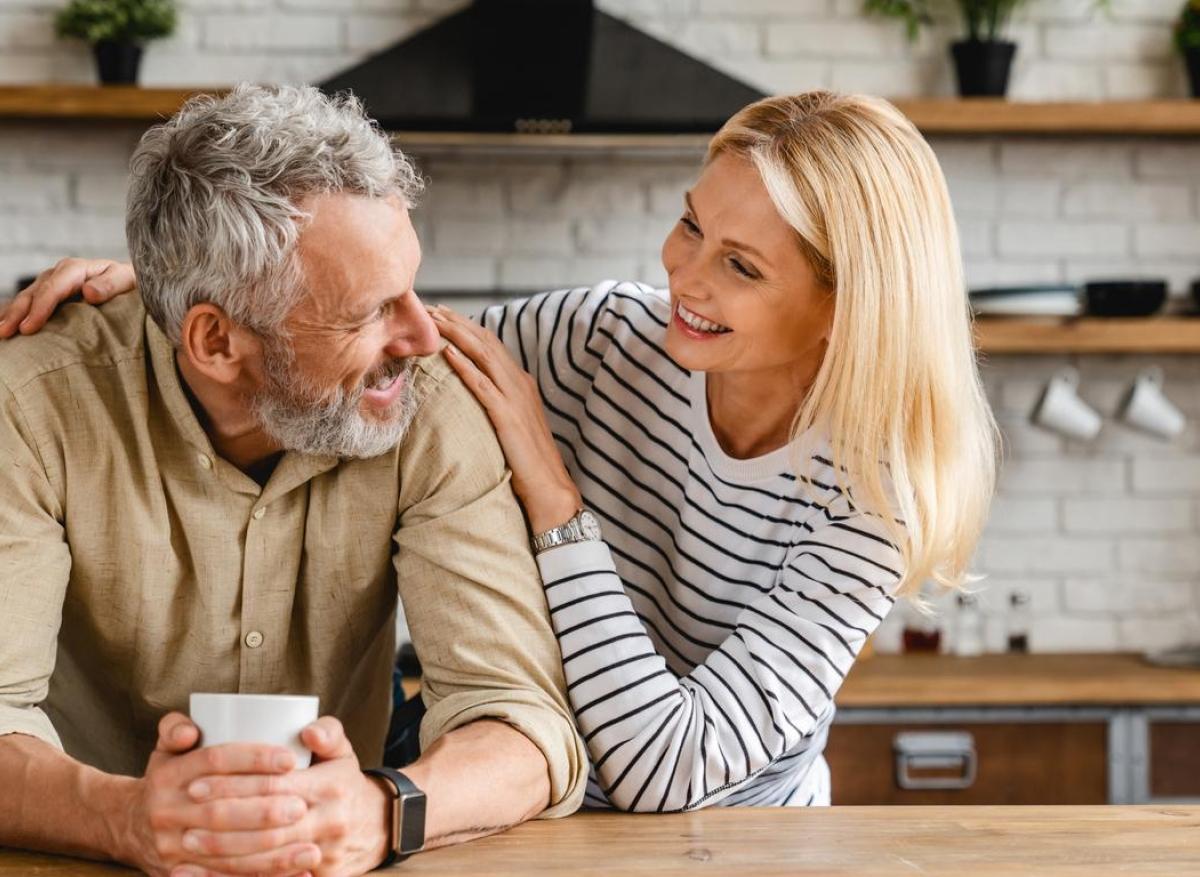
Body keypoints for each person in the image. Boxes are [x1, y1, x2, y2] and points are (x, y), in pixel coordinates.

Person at [6, 90, 998, 812]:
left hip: (729, 835)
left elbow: (671, 764)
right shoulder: (603, 334)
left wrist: (553, 495)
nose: (682, 277)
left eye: (738, 266)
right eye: (690, 225)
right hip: (535, 823)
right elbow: (352, 336)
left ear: (846, 309)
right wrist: (168, 286)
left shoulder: (875, 496)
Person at [0, 84, 586, 877]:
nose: (421, 334)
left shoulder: (430, 402)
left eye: (412, 285)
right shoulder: (30, 403)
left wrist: (385, 810)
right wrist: (122, 818)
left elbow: (524, 725)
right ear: (213, 341)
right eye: (369, 311)